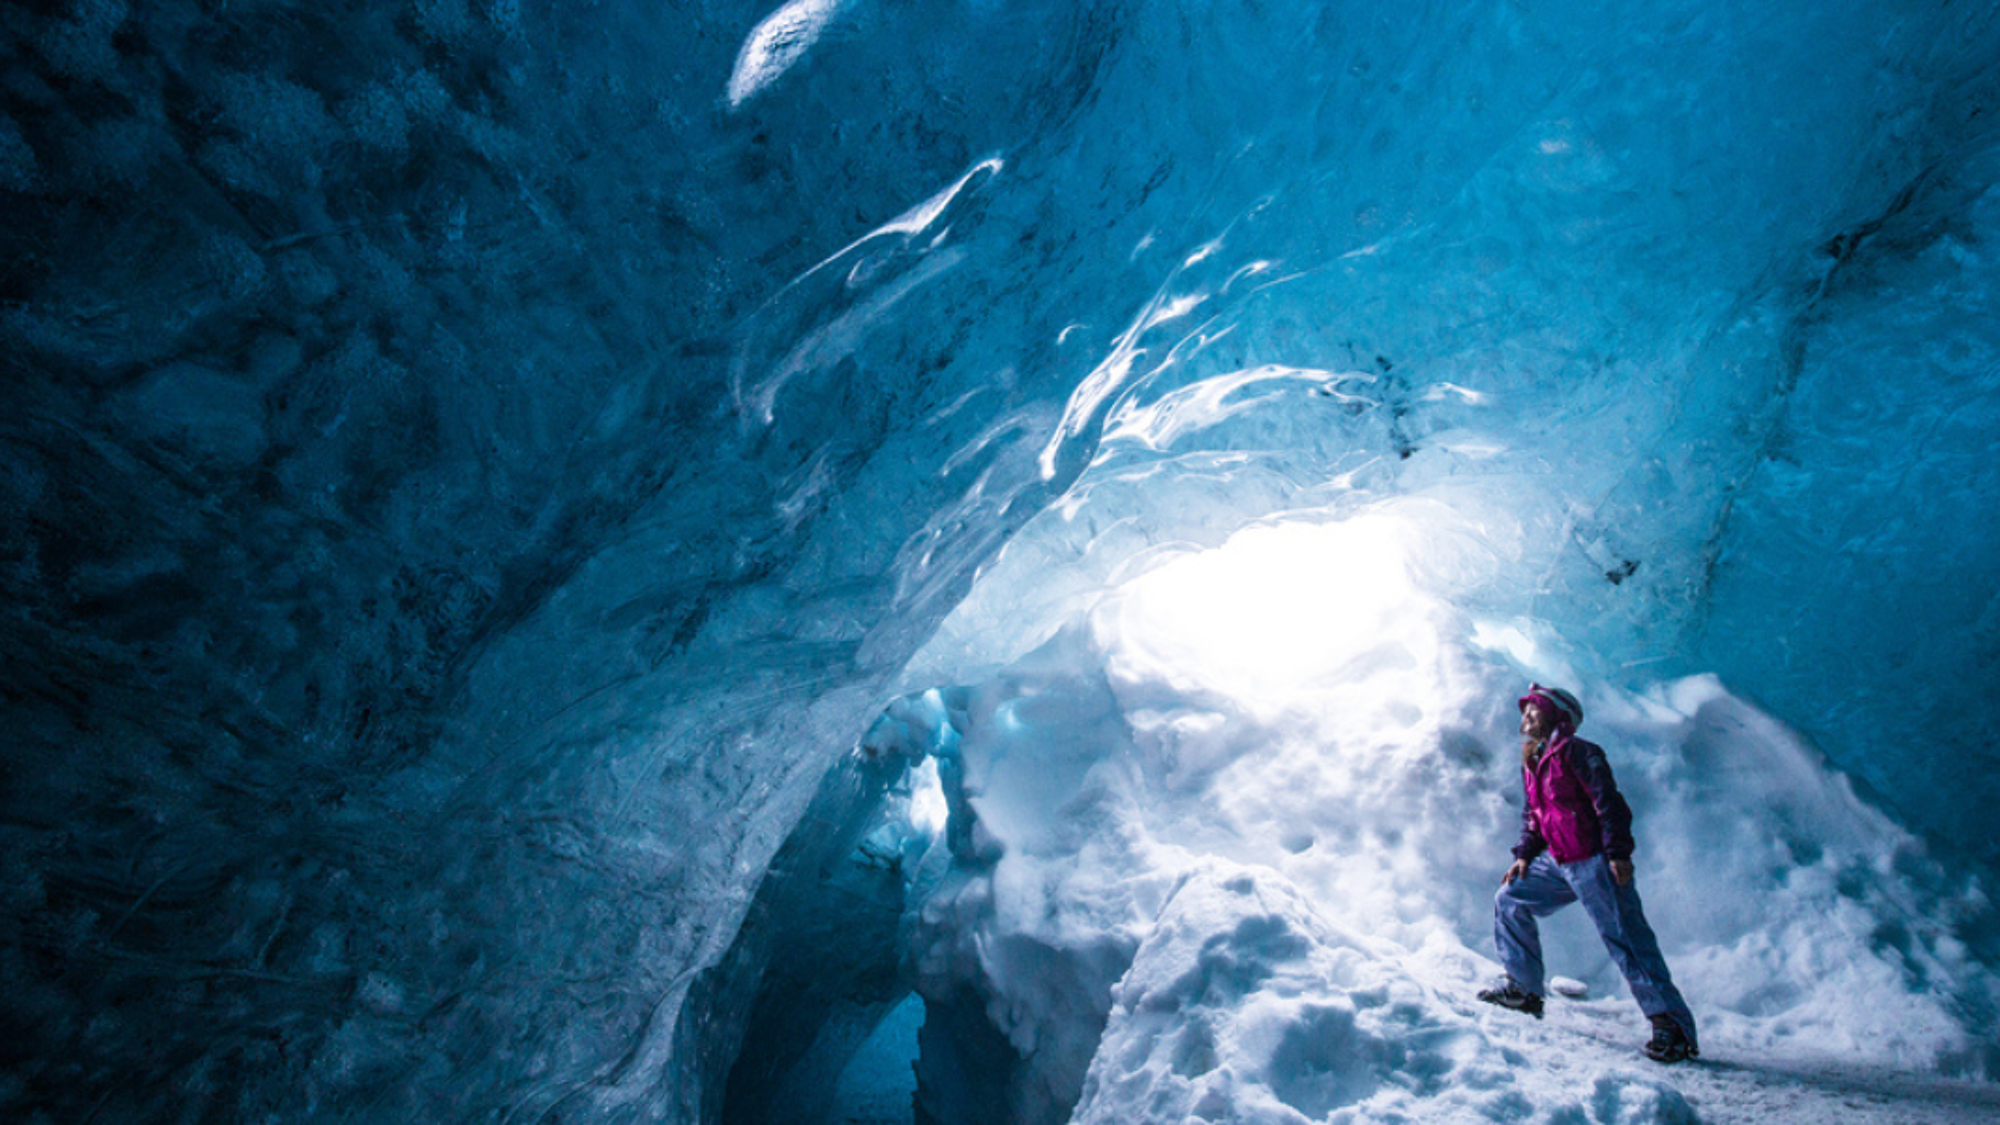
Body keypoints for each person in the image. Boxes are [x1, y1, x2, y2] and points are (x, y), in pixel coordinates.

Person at [1476, 683, 1699, 1064]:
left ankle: (1672, 1027)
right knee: (1511, 898)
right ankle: (1524, 990)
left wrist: (1617, 854)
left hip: (1594, 860)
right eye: (1524, 710)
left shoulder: (1581, 753)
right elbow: (1534, 816)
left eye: (1535, 709)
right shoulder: (1533, 758)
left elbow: (1609, 805)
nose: (1526, 716)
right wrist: (1525, 855)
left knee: (1626, 937)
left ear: (1557, 716)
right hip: (1557, 861)